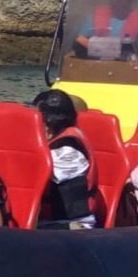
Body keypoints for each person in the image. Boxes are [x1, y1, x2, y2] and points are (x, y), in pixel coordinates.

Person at [31, 89, 99, 229]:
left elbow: (31, 173)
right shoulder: (51, 145)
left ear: (48, 125)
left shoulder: (68, 152)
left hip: (73, 225)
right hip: (47, 221)